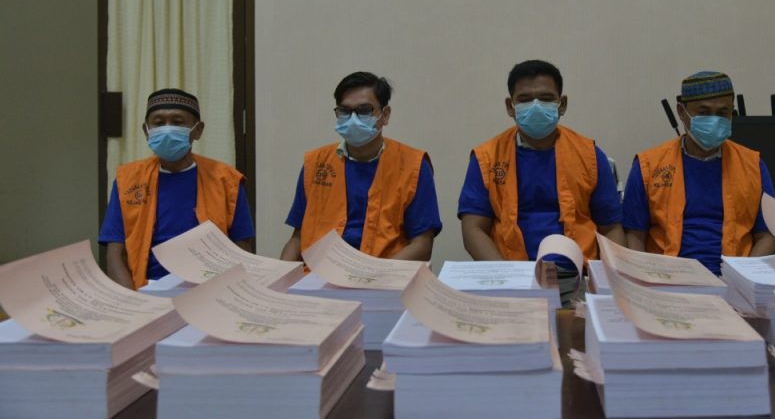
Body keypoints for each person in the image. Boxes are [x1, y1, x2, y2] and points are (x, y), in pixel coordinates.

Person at [459, 60, 625, 295]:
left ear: (562, 104)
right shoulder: (486, 158)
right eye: (525, 99)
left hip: (579, 277)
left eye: (546, 98)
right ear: (510, 106)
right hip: (511, 275)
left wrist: (608, 283)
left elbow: (612, 228)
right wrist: (507, 279)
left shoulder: (589, 155)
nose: (536, 107)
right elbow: (473, 229)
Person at [622, 71, 775, 274]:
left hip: (734, 278)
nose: (714, 120)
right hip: (667, 278)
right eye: (703, 112)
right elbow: (634, 235)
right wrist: (647, 278)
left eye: (722, 113)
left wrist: (745, 276)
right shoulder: (649, 167)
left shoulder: (753, 166)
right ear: (681, 112)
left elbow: (768, 235)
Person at [99, 89, 255, 290]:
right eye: (158, 122)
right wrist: (133, 300)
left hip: (209, 291)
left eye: (177, 121)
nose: (167, 129)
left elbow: (242, 249)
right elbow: (115, 253)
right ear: (146, 130)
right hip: (145, 290)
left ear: (198, 130)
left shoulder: (226, 181)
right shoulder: (128, 180)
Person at [280, 72, 441, 262]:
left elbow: (422, 244)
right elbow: (298, 237)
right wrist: (279, 275)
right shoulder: (316, 164)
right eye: (345, 111)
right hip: (320, 273)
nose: (353, 119)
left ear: (385, 115)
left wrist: (375, 274)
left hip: (385, 272)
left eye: (364, 110)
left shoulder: (413, 165)